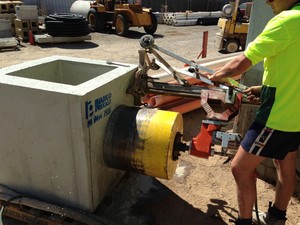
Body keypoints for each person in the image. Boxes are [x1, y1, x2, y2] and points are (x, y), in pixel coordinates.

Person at [207, 0, 300, 224]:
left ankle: (245, 221)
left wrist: (217, 76)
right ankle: (277, 218)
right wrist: (262, 88)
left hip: (277, 117)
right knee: (284, 165)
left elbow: (242, 62)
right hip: (295, 117)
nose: (268, 1)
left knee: (239, 168)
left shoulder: (286, 21)